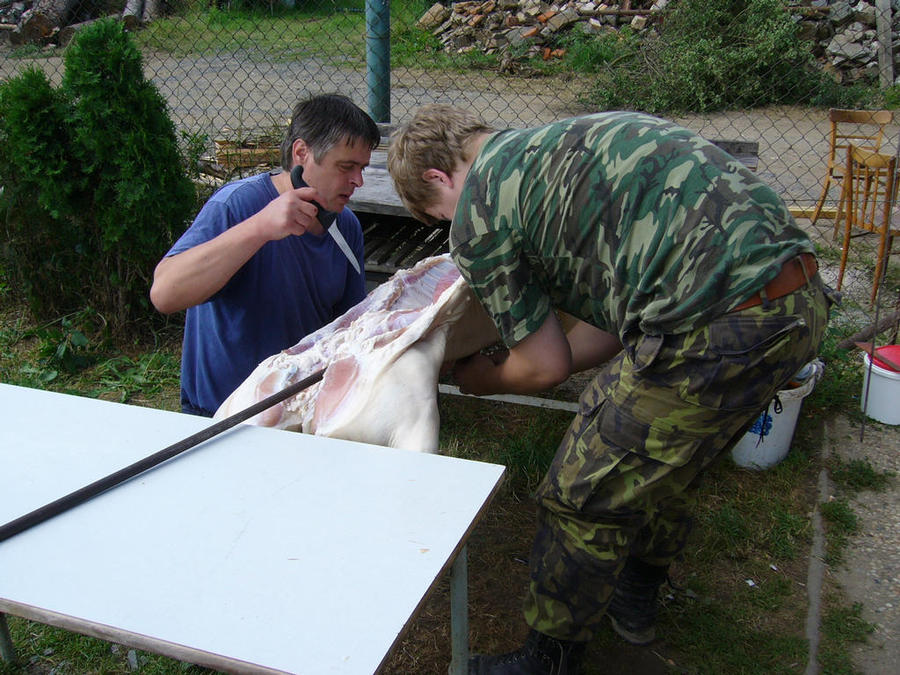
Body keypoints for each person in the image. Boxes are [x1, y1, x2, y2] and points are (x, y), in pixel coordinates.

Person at [387, 106, 831, 675]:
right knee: (664, 455)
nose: (450, 223)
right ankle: (634, 595)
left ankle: (546, 661)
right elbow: (611, 325)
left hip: (717, 328)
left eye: (438, 213)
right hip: (797, 303)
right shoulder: (572, 143)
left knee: (581, 492)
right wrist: (521, 358)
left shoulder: (481, 209)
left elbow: (545, 367)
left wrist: (485, 378)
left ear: (438, 178)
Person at [150, 94, 380, 417]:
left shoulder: (345, 227)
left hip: (300, 412)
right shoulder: (236, 206)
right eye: (346, 167)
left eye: (362, 168)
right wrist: (260, 228)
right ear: (301, 153)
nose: (358, 181)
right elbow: (165, 293)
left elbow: (350, 330)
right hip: (222, 415)